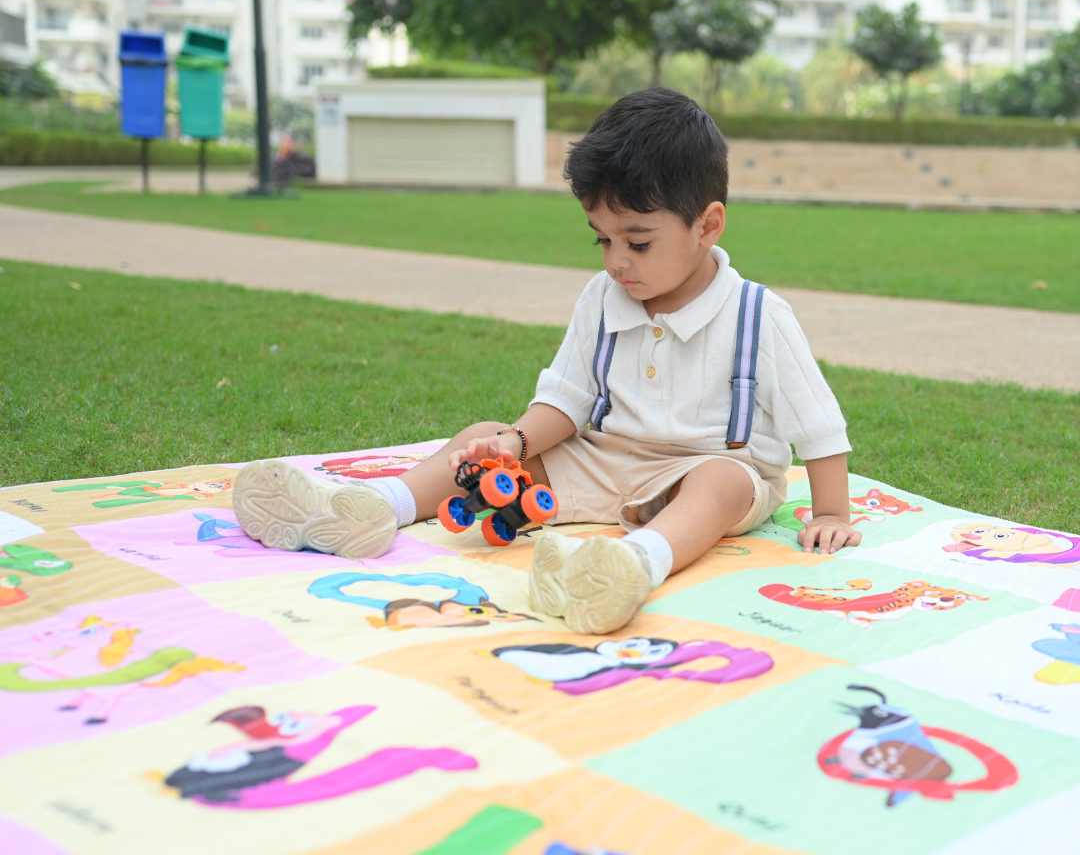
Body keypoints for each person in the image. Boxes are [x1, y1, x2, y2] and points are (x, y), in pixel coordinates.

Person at [233, 89, 861, 635]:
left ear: (708, 224)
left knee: (720, 482)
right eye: (602, 239)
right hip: (605, 460)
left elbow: (818, 427)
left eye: (637, 242)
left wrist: (831, 513)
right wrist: (513, 440)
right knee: (482, 439)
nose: (617, 261)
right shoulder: (603, 296)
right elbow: (566, 399)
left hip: (712, 473)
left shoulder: (758, 314)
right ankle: (372, 509)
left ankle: (632, 567)